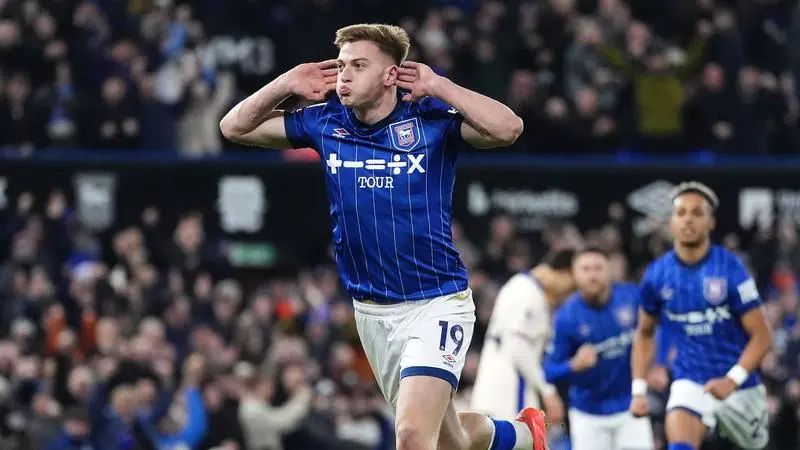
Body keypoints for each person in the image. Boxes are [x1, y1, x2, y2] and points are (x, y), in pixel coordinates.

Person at [220, 23, 544, 450]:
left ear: (391, 75)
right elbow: (234, 128)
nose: (344, 76)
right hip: (372, 313)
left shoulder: (430, 123)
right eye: (341, 66)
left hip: (435, 302)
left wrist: (440, 86)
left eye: (358, 66)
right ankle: (524, 435)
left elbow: (508, 128)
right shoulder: (325, 122)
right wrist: (285, 83)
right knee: (449, 441)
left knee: (410, 437)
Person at [629, 182, 773, 450]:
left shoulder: (731, 268)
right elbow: (644, 334)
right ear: (671, 221)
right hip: (690, 380)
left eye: (697, 213)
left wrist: (732, 380)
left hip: (740, 384)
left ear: (711, 222)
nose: (688, 220)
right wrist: (638, 391)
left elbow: (762, 335)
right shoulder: (657, 275)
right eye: (681, 213)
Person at [544, 247, 654, 450]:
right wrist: (573, 365)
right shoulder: (566, 316)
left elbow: (658, 329)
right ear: (574, 275)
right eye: (585, 269)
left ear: (609, 271)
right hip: (588, 415)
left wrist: (659, 363)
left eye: (598, 268)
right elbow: (548, 371)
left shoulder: (632, 297)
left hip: (630, 407)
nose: (592, 275)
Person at [471, 249, 576, 422]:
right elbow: (516, 346)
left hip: (501, 390)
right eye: (572, 287)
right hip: (508, 394)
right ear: (565, 274)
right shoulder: (527, 291)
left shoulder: (528, 289)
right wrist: (547, 391)